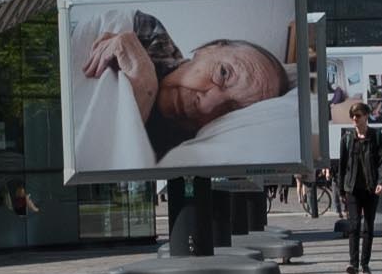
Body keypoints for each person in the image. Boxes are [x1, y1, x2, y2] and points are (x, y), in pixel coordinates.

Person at [75, 8, 289, 160]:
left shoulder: (185, 152)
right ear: (208, 49)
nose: (206, 107)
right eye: (223, 74)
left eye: (230, 112)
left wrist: (145, 89)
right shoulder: (146, 31)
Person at [334, 110, 382, 274]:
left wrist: (381, 182)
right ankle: (353, 264)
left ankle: (365, 264)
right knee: (354, 225)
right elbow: (342, 165)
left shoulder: (376, 136)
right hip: (353, 189)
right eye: (353, 116)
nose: (355, 118)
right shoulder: (347, 138)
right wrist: (341, 189)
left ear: (366, 117)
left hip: (371, 189)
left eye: (358, 115)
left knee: (368, 226)